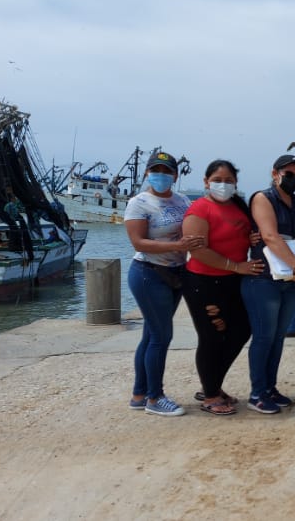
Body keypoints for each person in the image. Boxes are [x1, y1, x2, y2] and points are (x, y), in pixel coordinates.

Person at [125, 151, 203, 416]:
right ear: (148, 173)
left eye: (166, 171)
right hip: (149, 273)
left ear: (175, 175)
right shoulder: (139, 203)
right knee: (161, 336)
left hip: (175, 273)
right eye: (156, 170)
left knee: (150, 335)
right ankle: (155, 398)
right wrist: (178, 245)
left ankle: (139, 394)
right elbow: (138, 242)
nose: (161, 175)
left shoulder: (182, 200)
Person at [181, 160, 261, 416]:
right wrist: (237, 266)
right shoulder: (199, 209)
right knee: (212, 337)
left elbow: (239, 234)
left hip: (232, 281)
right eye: (217, 180)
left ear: (236, 183)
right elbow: (197, 250)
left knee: (240, 331)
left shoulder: (238, 207)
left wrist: (250, 238)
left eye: (229, 181)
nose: (223, 185)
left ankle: (212, 384)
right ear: (206, 182)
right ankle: (211, 395)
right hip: (203, 282)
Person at [243, 154, 295, 414]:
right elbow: (270, 236)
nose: (294, 179)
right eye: (289, 174)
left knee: (277, 337)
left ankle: (270, 388)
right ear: (275, 173)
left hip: (290, 281)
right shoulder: (263, 198)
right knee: (263, 337)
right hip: (264, 279)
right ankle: (257, 393)